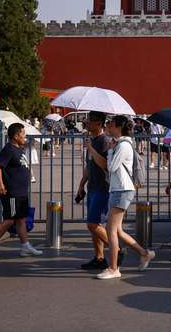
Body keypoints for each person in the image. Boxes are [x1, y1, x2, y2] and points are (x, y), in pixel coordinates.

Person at [97, 115, 155, 280]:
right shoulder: (121, 144)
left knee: (111, 230)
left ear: (118, 127)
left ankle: (114, 268)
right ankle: (144, 253)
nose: (108, 127)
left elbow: (111, 167)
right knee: (118, 230)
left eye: (111, 124)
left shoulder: (123, 145)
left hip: (122, 189)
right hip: (119, 189)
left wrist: (110, 150)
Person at [0, 123, 43, 258]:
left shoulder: (19, 149)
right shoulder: (9, 149)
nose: (25, 136)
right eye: (23, 134)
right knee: (10, 220)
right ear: (16, 136)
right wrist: (0, 184)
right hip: (12, 192)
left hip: (21, 192)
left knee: (21, 219)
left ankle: (25, 246)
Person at [76, 111, 123, 270]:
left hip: (103, 187)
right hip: (92, 187)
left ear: (98, 123)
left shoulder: (104, 141)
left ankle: (117, 249)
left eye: (89, 120)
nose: (86, 123)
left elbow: (105, 165)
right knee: (94, 224)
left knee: (93, 224)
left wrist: (90, 149)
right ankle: (99, 257)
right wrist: (81, 185)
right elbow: (89, 166)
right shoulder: (93, 140)